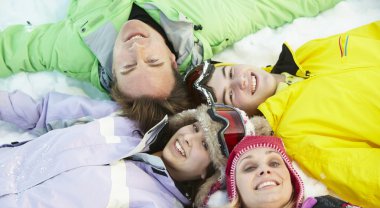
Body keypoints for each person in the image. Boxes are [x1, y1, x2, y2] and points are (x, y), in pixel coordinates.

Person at [0, 89, 258, 208]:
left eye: (204, 145)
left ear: (208, 175)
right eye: (193, 127)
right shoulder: (127, 124)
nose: (188, 137)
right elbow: (42, 111)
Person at [0, 1, 342, 119]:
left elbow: (10, 50)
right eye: (153, 62)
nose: (136, 49)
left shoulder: (75, 47)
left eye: (128, 66)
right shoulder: (204, 24)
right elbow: (272, 5)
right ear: (172, 58)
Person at [185, 21, 380, 208]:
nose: (240, 81)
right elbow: (366, 177)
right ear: (241, 115)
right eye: (230, 95)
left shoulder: (307, 54)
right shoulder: (295, 132)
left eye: (230, 72)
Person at [199, 136, 380, 208]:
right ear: (235, 190)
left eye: (275, 163)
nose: (264, 170)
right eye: (250, 167)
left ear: (292, 180)